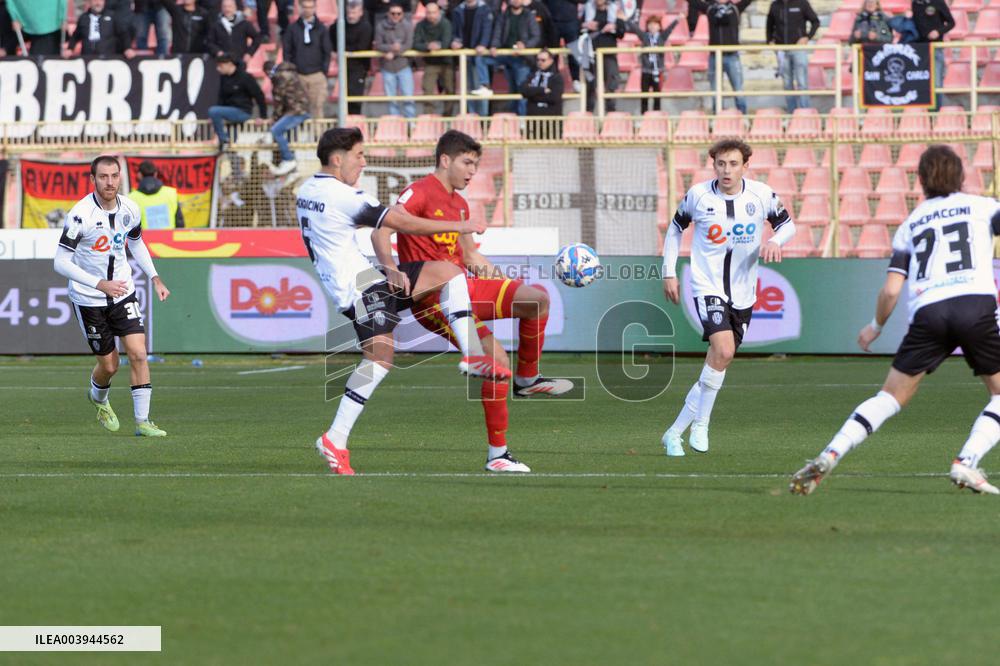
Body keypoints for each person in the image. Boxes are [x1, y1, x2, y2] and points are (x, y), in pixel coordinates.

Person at [791, 145, 1000, 496]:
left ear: (920, 180)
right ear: (962, 176)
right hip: (973, 305)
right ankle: (966, 461)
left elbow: (891, 290)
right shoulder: (984, 207)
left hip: (929, 312)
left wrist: (875, 326)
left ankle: (831, 452)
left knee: (889, 397)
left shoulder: (910, 224)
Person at [297, 127, 507, 475]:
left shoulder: (309, 189)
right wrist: (461, 226)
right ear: (338, 159)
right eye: (359, 155)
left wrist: (390, 266)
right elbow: (401, 222)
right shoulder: (342, 197)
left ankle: (472, 355)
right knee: (379, 361)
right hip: (360, 289)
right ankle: (335, 437)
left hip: (366, 280)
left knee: (448, 272)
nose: (363, 162)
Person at [372, 130, 573, 474]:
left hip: (463, 288)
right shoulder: (419, 192)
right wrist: (391, 269)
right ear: (445, 160)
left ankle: (527, 379)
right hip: (432, 300)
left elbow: (469, 254)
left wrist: (498, 279)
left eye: (476, 165)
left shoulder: (461, 204)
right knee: (496, 358)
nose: (472, 172)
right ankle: (498, 454)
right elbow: (381, 230)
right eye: (467, 163)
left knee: (535, 300)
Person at [661, 139, 796, 456]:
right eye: (721, 163)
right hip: (707, 285)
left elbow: (788, 225)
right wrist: (668, 271)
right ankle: (702, 425)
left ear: (745, 166)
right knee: (722, 349)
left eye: (733, 164)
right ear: (713, 165)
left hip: (744, 293)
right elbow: (674, 229)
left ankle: (674, 432)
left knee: (720, 359)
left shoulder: (761, 195)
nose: (726, 170)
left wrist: (776, 240)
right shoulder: (698, 195)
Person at [53, 156, 171, 438]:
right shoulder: (80, 215)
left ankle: (143, 422)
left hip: (123, 292)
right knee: (110, 365)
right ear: (92, 180)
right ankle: (99, 399)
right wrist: (99, 284)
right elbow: (60, 263)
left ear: (121, 177)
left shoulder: (130, 207)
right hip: (89, 298)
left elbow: (136, 241)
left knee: (140, 353)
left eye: (114, 176)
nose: (110, 182)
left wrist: (154, 276)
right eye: (103, 177)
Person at [692, 0, 752, 115]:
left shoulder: (735, 8)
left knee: (738, 89)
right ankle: (717, 116)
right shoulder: (710, 9)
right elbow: (693, 2)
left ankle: (743, 116)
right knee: (715, 91)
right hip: (714, 56)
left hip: (732, 56)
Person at [486, 0, 541, 115]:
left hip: (522, 59)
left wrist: (525, 46)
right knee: (512, 91)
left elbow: (536, 36)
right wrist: (494, 46)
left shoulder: (528, 15)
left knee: (522, 90)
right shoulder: (504, 15)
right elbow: (497, 33)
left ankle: (522, 120)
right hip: (507, 57)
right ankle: (484, 85)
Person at [766, 0, 819, 112]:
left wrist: (807, 37)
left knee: (802, 82)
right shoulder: (775, 5)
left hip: (798, 48)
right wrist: (769, 40)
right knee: (787, 84)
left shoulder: (801, 3)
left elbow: (815, 21)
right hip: (781, 50)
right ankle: (792, 113)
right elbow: (769, 25)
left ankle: (805, 112)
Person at [207, 53, 268, 149]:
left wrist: (263, 116)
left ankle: (223, 139)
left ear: (229, 64)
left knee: (213, 110)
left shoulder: (245, 77)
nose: (218, 69)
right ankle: (233, 158)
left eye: (220, 66)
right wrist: (214, 117)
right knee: (231, 145)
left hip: (242, 111)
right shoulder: (224, 78)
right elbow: (221, 97)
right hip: (229, 113)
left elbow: (259, 96)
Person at [283, 0, 331, 120]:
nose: (307, 10)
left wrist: (323, 71)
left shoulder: (321, 29)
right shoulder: (292, 28)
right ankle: (301, 136)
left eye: (310, 7)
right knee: (299, 108)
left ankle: (318, 135)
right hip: (298, 75)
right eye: (305, 7)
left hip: (317, 74)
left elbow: (327, 51)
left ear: (315, 8)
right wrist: (291, 71)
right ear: (300, 8)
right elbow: (287, 51)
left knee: (317, 106)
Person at [625, 14, 678, 113]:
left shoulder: (662, 37)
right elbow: (636, 29)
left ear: (659, 26)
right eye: (650, 24)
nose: (652, 26)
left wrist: (677, 19)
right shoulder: (645, 36)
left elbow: (670, 28)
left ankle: (656, 115)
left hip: (658, 71)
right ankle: (644, 115)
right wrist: (626, 20)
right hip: (646, 71)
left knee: (657, 95)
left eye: (655, 24)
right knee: (644, 95)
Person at [267, 60, 310, 175]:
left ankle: (289, 160)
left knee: (275, 131)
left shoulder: (279, 79)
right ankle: (293, 169)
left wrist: (274, 118)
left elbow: (279, 102)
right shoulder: (294, 77)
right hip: (300, 111)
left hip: (296, 112)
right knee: (290, 138)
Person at [450, 0, 493, 115]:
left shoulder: (485, 9)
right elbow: (455, 31)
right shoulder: (458, 10)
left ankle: (483, 120)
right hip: (465, 54)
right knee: (468, 88)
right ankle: (472, 117)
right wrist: (455, 41)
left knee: (481, 89)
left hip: (479, 54)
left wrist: (483, 44)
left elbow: (487, 29)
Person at [413, 0, 456, 115]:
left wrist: (438, 46)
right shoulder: (420, 25)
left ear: (438, 12)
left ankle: (448, 116)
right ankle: (429, 116)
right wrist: (428, 46)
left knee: (449, 89)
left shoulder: (446, 23)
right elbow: (415, 43)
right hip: (430, 62)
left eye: (434, 12)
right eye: (429, 13)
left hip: (446, 61)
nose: (431, 15)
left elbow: (446, 42)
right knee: (427, 88)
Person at [375, 3, 416, 118]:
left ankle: (410, 124)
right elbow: (378, 45)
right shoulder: (380, 26)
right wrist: (391, 48)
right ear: (388, 14)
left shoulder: (407, 26)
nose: (396, 16)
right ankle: (396, 123)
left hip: (403, 66)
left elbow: (409, 44)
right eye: (393, 13)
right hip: (387, 67)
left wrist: (394, 51)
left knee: (408, 97)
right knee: (391, 99)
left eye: (399, 13)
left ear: (402, 14)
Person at [582, 0, 623, 112]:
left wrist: (614, 27)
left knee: (611, 83)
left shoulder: (614, 10)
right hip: (590, 53)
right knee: (590, 84)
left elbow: (621, 32)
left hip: (608, 53)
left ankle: (610, 112)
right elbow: (578, 28)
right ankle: (588, 113)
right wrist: (585, 25)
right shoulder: (588, 9)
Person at [334, 1, 374, 115]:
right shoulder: (339, 25)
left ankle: (354, 121)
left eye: (354, 12)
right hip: (344, 66)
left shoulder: (366, 27)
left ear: (360, 13)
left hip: (359, 67)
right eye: (349, 12)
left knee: (355, 97)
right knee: (344, 95)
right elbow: (333, 39)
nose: (351, 15)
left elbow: (361, 46)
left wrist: (343, 50)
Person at [128, 160, 186, 229]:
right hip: (169, 238)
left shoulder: (131, 198)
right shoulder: (171, 193)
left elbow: (130, 227)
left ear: (139, 175)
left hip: (146, 239)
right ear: (155, 174)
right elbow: (180, 223)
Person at [911, 0, 953, 94]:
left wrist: (938, 32)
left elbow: (951, 22)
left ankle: (936, 108)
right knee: (920, 80)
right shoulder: (915, 3)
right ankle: (922, 107)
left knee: (936, 81)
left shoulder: (938, 2)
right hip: (920, 48)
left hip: (935, 47)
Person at [66, 0, 135, 56]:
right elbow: (75, 36)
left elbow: (123, 34)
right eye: (95, 0)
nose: (98, 3)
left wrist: (127, 48)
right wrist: (70, 48)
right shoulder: (84, 18)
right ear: (90, 2)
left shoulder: (112, 16)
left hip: (107, 57)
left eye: (100, 0)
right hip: (87, 57)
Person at [206, 0, 262, 64]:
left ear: (235, 7)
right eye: (225, 7)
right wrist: (217, 52)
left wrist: (249, 53)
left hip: (240, 61)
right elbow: (210, 42)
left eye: (230, 6)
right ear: (221, 8)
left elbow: (257, 38)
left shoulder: (244, 23)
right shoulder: (216, 24)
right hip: (222, 62)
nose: (227, 9)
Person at [523, 47, 563, 122]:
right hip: (533, 121)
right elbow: (524, 90)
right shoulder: (532, 75)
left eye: (543, 60)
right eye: (538, 60)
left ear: (551, 61)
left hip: (551, 122)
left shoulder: (557, 78)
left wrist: (532, 95)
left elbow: (554, 97)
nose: (540, 62)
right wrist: (542, 90)